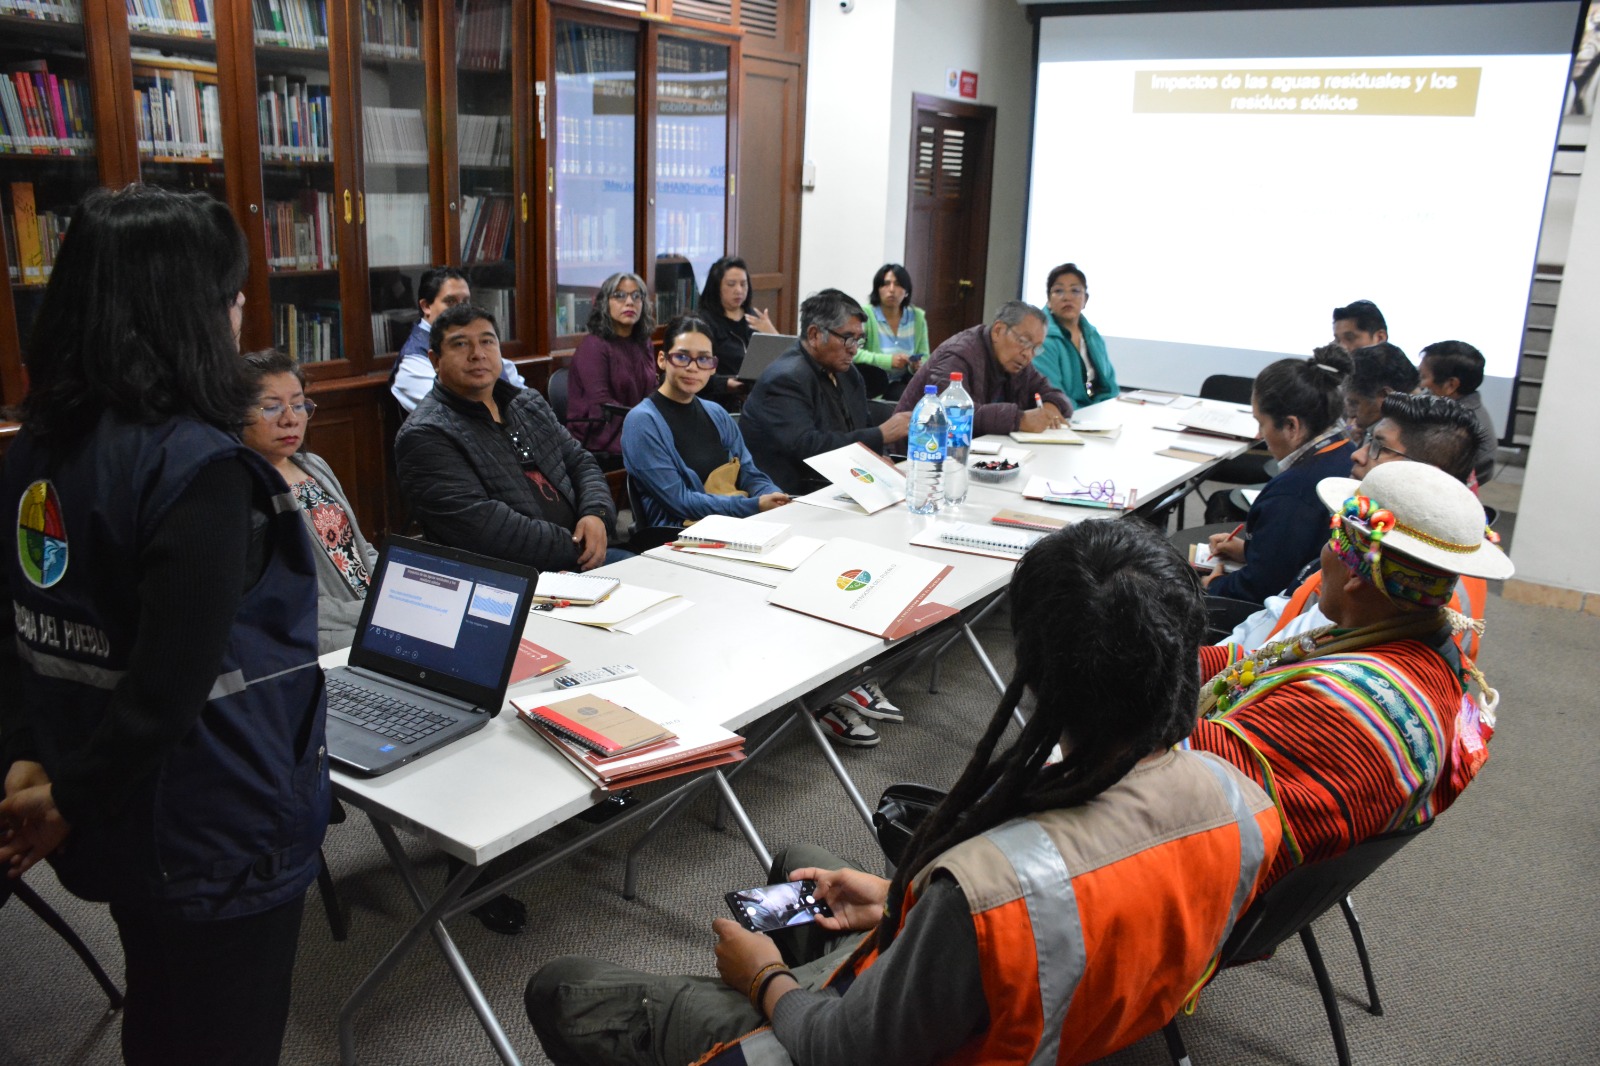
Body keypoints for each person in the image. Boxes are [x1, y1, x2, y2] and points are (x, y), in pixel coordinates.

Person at [527, 520, 1281, 1066]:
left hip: (885, 1044)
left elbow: (838, 1048)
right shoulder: (1245, 801)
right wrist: (896, 901)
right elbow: (1071, 910)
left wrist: (765, 977)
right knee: (799, 864)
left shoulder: (984, 886)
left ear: (1038, 669)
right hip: (1074, 1019)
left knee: (565, 988)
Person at [0, 185, 327, 1066]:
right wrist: (66, 795)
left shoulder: (35, 446)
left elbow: (26, 626)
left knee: (166, 1010)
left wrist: (35, 760)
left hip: (111, 801)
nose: (238, 315)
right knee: (219, 1029)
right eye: (229, 296)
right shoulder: (202, 468)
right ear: (186, 312)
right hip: (218, 823)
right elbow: (169, 684)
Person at [1184, 460, 1512, 887]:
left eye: (1332, 544)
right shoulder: (1420, 651)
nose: (1321, 563)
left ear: (1356, 578)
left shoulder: (1333, 703)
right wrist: (1167, 662)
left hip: (1212, 874)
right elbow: (1257, 665)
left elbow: (1187, 774)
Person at [1231, 392, 1484, 650]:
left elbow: (1269, 657)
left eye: (1379, 446)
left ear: (1426, 475)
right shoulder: (1456, 562)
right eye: (1365, 441)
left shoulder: (1374, 582)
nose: (1358, 455)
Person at [395, 303, 621, 572]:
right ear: (434, 360)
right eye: (460, 344)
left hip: (581, 558)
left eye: (487, 341)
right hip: (513, 581)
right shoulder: (424, 435)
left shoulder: (528, 403)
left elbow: (582, 463)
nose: (477, 354)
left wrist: (596, 515)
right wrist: (579, 544)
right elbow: (486, 531)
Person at [240, 350, 379, 653]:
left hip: (367, 615)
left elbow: (354, 548)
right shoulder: (246, 488)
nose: (290, 419)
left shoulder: (313, 464)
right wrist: (372, 611)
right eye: (271, 407)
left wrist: (395, 585)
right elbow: (280, 601)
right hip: (317, 635)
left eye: (299, 405)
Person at [1205, 346, 1355, 604]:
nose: (1259, 436)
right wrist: (1249, 551)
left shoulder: (1293, 493)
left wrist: (1214, 584)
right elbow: (1294, 554)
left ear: (1291, 426)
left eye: (1261, 423)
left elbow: (1258, 589)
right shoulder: (1347, 452)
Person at [621, 313, 790, 528]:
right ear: (662, 360)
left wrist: (771, 495)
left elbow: (750, 474)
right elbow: (680, 502)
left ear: (713, 367)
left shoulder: (716, 413)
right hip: (678, 535)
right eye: (682, 357)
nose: (693, 368)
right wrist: (753, 505)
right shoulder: (641, 422)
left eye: (703, 359)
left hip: (733, 524)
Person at [740, 289, 911, 497]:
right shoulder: (785, 379)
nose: (854, 349)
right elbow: (809, 449)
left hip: (841, 483)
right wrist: (881, 434)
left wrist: (880, 458)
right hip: (792, 495)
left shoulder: (848, 373)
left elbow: (861, 426)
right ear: (814, 335)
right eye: (847, 339)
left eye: (859, 340)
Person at [895, 301, 1072, 434]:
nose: (1028, 354)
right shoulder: (959, 354)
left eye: (1036, 348)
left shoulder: (1019, 362)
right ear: (998, 330)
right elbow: (952, 414)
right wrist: (1019, 419)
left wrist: (1051, 409)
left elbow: (1053, 394)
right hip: (918, 454)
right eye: (1024, 341)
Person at [390, 266, 525, 412]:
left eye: (465, 301)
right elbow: (453, 414)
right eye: (450, 302)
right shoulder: (413, 361)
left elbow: (522, 397)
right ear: (426, 306)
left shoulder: (479, 340)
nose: (461, 309)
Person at [565, 271, 657, 461]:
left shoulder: (642, 342)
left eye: (636, 296)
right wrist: (647, 423)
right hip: (602, 434)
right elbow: (602, 405)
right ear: (605, 303)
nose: (629, 302)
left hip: (637, 426)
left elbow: (651, 391)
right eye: (620, 295)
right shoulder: (594, 346)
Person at [1034, 262, 1118, 408]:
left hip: (1096, 413)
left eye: (1075, 290)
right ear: (1048, 300)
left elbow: (1109, 386)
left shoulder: (1092, 335)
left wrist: (1108, 408)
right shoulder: (1042, 339)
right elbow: (1053, 395)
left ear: (1085, 299)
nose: (1067, 297)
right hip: (1065, 416)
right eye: (1059, 291)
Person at [698, 255, 778, 404]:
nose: (739, 290)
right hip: (718, 401)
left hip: (758, 398)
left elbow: (783, 361)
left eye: (743, 284)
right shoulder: (702, 322)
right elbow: (697, 371)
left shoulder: (754, 317)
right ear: (716, 287)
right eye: (731, 284)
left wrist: (772, 333)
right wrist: (725, 384)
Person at [1417, 339, 1498, 484]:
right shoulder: (1436, 401)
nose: (1420, 384)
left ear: (1451, 385)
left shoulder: (1461, 428)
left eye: (1423, 377)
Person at [853, 263, 929, 400]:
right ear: (877, 289)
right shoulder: (866, 315)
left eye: (898, 284)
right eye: (886, 284)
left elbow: (925, 356)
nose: (892, 289)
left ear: (906, 291)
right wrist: (888, 361)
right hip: (871, 384)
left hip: (903, 382)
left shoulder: (917, 318)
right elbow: (853, 353)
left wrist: (915, 365)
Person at [1342, 342, 1419, 445]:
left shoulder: (1408, 442)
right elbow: (1349, 427)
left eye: (1354, 403)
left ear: (1385, 397)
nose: (1350, 414)